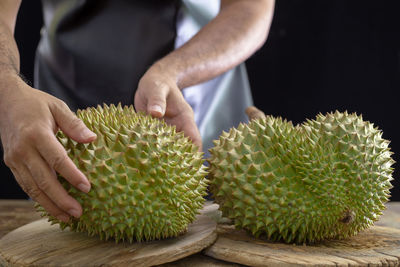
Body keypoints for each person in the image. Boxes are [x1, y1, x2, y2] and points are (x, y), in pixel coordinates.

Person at [0, 0, 274, 223]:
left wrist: (172, 72)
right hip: (65, 101)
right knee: (62, 205)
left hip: (200, 94)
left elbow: (250, 8)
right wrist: (7, 87)